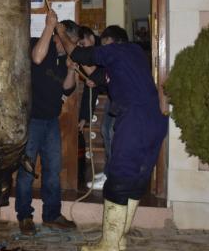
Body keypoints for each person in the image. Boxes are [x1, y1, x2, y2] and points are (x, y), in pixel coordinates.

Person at [55, 24, 168, 251]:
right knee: (135, 181)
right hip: (155, 121)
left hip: (135, 119)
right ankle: (119, 240)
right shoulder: (133, 55)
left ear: (112, 42)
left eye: (104, 45)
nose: (103, 50)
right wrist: (85, 72)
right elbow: (98, 75)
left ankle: (109, 245)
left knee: (118, 178)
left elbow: (79, 53)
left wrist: (60, 31)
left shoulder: (117, 50)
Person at [15, 10, 80, 235]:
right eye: (70, 41)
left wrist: (71, 70)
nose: (71, 46)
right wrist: (50, 27)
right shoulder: (40, 43)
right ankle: (25, 216)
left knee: (53, 170)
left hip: (51, 120)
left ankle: (52, 215)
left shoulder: (63, 59)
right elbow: (36, 58)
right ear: (59, 36)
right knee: (26, 170)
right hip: (31, 119)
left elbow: (67, 89)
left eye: (74, 43)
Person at [75, 26, 110, 191]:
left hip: (123, 96)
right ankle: (108, 173)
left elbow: (101, 76)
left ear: (91, 37)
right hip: (113, 96)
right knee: (106, 130)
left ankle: (111, 176)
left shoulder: (102, 50)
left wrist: (94, 78)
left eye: (82, 43)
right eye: (79, 46)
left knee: (111, 132)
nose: (82, 48)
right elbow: (91, 88)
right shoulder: (88, 55)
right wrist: (84, 117)